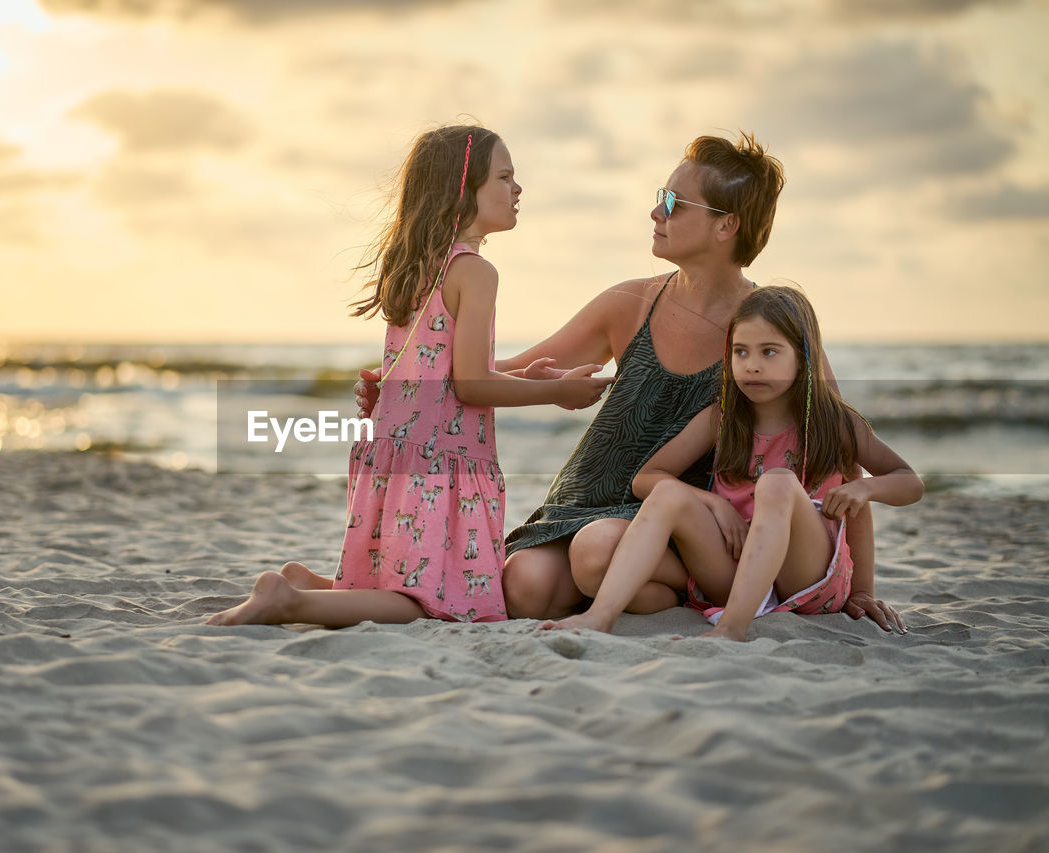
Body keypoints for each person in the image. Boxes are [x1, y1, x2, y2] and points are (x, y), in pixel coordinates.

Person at [356, 133, 906, 633]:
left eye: (672, 202)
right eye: (658, 197)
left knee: (596, 555)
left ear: (725, 225)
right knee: (523, 588)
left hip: (679, 522)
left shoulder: (766, 332)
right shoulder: (631, 302)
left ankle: (676, 589)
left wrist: (861, 591)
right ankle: (645, 593)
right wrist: (406, 387)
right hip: (589, 497)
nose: (655, 211)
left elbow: (840, 452)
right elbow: (505, 371)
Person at [207, 124, 612, 628]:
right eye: (505, 177)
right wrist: (556, 392)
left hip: (394, 450)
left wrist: (521, 372)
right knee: (435, 606)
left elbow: (442, 370)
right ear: (464, 191)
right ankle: (291, 601)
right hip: (440, 463)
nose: (517, 189)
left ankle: (306, 584)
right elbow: (471, 386)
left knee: (402, 582)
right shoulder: (476, 272)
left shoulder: (416, 263)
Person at [540, 285, 924, 640]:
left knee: (776, 483)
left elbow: (909, 481)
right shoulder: (722, 417)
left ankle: (732, 628)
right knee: (668, 494)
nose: (752, 365)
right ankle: (600, 616)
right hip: (734, 569)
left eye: (769, 352)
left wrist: (865, 488)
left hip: (805, 578)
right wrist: (714, 503)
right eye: (741, 352)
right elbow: (647, 479)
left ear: (804, 356)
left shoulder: (833, 421)